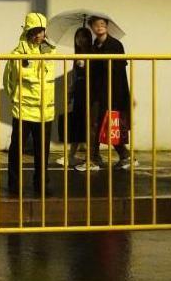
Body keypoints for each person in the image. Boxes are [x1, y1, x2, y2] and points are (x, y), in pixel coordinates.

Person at [4, 12, 55, 196]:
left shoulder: (52, 51)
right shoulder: (18, 53)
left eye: (41, 31)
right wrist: (16, 98)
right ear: (27, 31)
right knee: (16, 150)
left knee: (42, 152)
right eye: (34, 31)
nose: (38, 35)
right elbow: (8, 80)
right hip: (24, 109)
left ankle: (41, 184)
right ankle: (14, 185)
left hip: (45, 111)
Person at [78, 16, 137, 171]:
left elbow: (115, 71)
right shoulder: (94, 46)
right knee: (97, 125)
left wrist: (91, 61)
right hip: (99, 92)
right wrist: (84, 62)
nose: (99, 27)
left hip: (113, 92)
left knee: (108, 125)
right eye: (96, 25)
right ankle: (101, 158)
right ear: (91, 27)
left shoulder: (115, 45)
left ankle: (99, 159)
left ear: (107, 27)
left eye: (103, 24)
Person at [57, 27, 92, 167]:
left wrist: (86, 64)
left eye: (83, 37)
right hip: (79, 93)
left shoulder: (93, 53)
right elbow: (75, 77)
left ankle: (90, 157)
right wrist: (70, 94)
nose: (80, 40)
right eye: (78, 37)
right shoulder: (77, 55)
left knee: (89, 126)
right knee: (78, 125)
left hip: (89, 93)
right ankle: (71, 156)